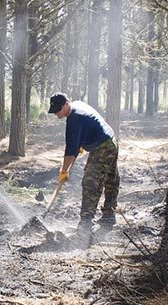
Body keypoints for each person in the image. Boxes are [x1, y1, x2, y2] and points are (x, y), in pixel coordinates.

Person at [48, 93, 120, 234]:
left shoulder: (74, 118)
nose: (56, 113)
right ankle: (109, 216)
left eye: (58, 109)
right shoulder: (77, 105)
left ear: (66, 103)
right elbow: (88, 125)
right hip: (111, 141)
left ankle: (86, 223)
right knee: (111, 179)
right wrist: (83, 142)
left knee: (91, 182)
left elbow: (70, 151)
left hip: (103, 147)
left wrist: (64, 171)